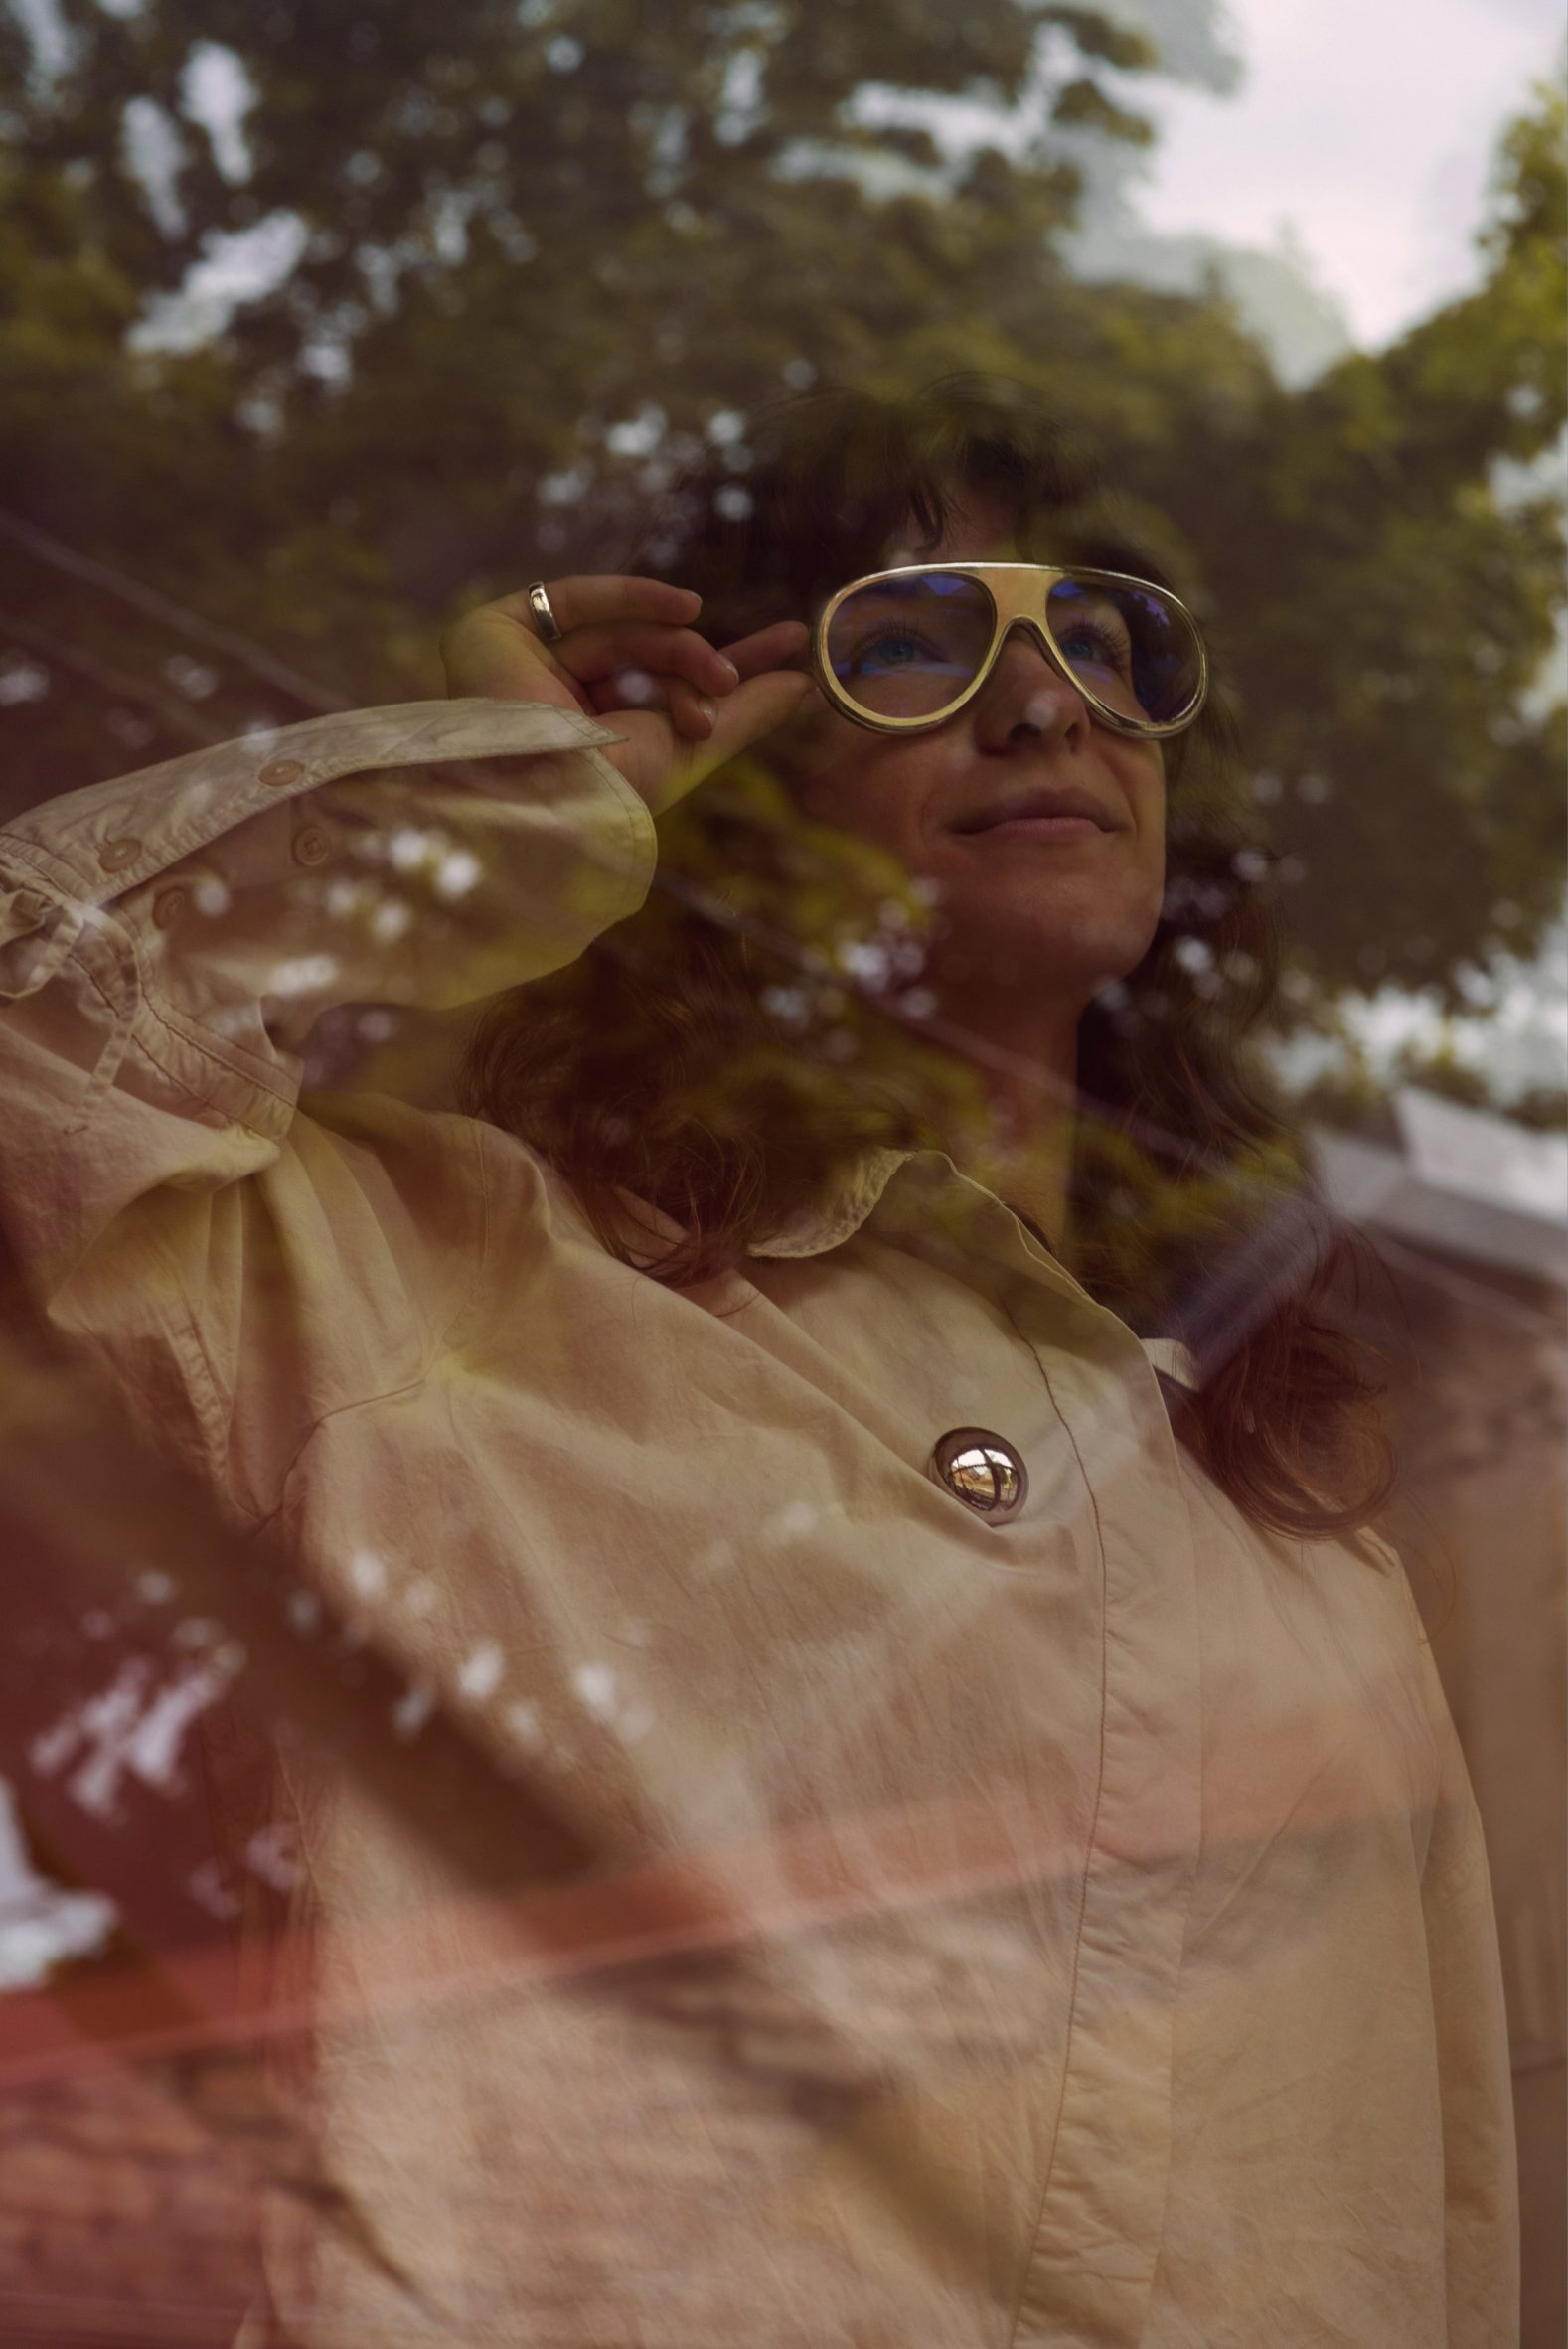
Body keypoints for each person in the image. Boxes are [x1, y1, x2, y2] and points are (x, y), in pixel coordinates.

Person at [0, 380, 1517, 2345]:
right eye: (919, 643)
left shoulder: (1317, 1537)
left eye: (1105, 643)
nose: (1047, 702)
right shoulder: (437, 1303)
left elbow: (1448, 2218)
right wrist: (517, 802)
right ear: (755, 728)